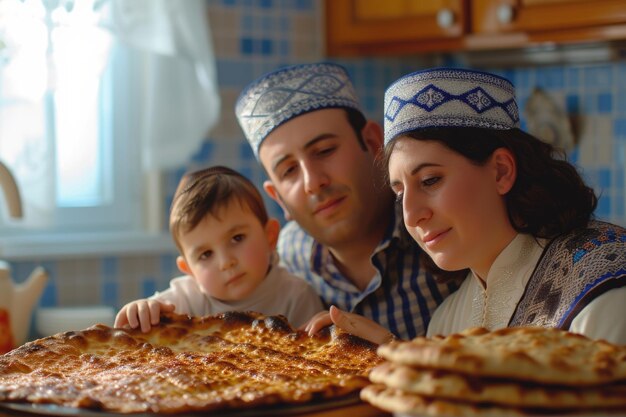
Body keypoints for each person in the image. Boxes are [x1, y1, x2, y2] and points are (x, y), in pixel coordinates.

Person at [310, 67, 626, 345]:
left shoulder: (603, 288)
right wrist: (392, 353)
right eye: (399, 193)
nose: (410, 215)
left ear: (501, 171)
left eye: (430, 180)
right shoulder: (448, 321)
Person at [234, 62, 458, 341]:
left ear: (374, 143)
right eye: (289, 170)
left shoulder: (443, 229)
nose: (313, 182)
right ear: (277, 197)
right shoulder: (282, 261)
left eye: (325, 150)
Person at [115, 166, 324, 332]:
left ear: (270, 236)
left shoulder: (296, 296)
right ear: (189, 270)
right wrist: (141, 309)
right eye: (206, 254)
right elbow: (150, 316)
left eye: (237, 238)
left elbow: (317, 359)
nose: (226, 262)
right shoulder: (185, 299)